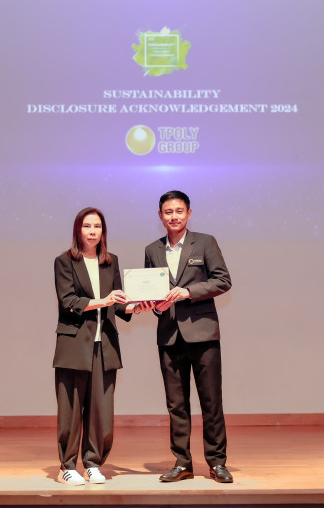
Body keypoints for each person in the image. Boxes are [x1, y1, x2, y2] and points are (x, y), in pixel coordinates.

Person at [143, 190, 234, 483]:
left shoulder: (205, 242)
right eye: (168, 212)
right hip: (169, 336)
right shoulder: (152, 250)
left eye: (179, 211)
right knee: (176, 405)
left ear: (189, 213)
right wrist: (154, 305)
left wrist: (188, 292)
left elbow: (223, 280)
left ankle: (217, 463)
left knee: (211, 401)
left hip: (203, 334)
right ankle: (183, 463)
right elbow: (152, 292)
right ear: (160, 216)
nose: (174, 216)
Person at [53, 207, 145, 485]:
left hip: (104, 346)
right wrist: (105, 300)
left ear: (103, 231)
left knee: (101, 411)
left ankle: (92, 463)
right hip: (74, 345)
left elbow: (118, 304)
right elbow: (69, 302)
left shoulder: (110, 261)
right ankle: (67, 466)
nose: (92, 231)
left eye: (97, 226)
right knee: (70, 409)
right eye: (87, 226)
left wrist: (136, 307)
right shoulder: (64, 261)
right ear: (77, 230)